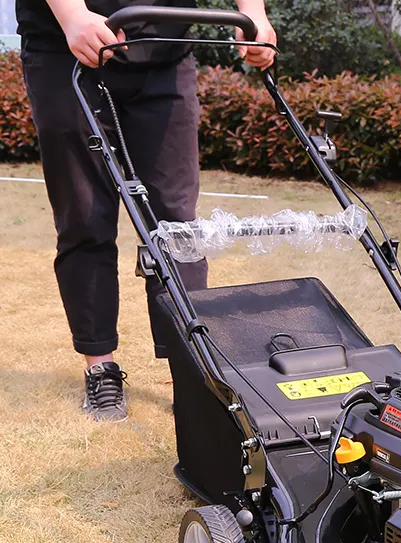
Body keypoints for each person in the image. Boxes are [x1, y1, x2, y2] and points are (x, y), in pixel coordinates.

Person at [16, 0, 276, 421]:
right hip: (68, 49)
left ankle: (190, 370)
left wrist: (255, 17)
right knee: (84, 217)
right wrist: (72, 16)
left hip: (163, 50)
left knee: (178, 226)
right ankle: (101, 366)